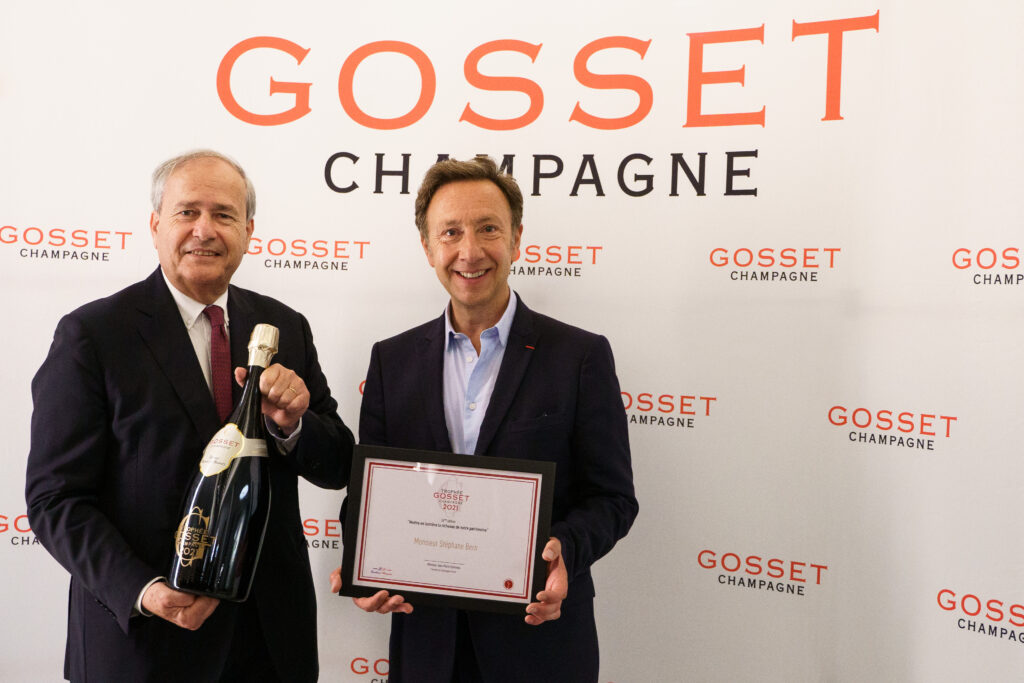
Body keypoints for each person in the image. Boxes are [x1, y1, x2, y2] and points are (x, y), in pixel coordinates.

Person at [26, 149, 354, 682]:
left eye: (224, 214)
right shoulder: (94, 335)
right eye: (187, 212)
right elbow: (55, 498)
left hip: (270, 642)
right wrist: (144, 590)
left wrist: (293, 424)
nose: (205, 229)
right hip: (145, 642)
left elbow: (339, 465)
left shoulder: (284, 326)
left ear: (248, 231)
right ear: (156, 225)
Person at [330, 156, 638, 682]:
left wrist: (563, 550)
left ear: (516, 240)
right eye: (450, 232)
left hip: (539, 645)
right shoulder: (391, 361)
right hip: (427, 646)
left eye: (488, 229)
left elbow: (613, 498)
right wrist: (365, 560)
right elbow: (371, 492)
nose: (469, 251)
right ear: (428, 248)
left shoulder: (579, 356)